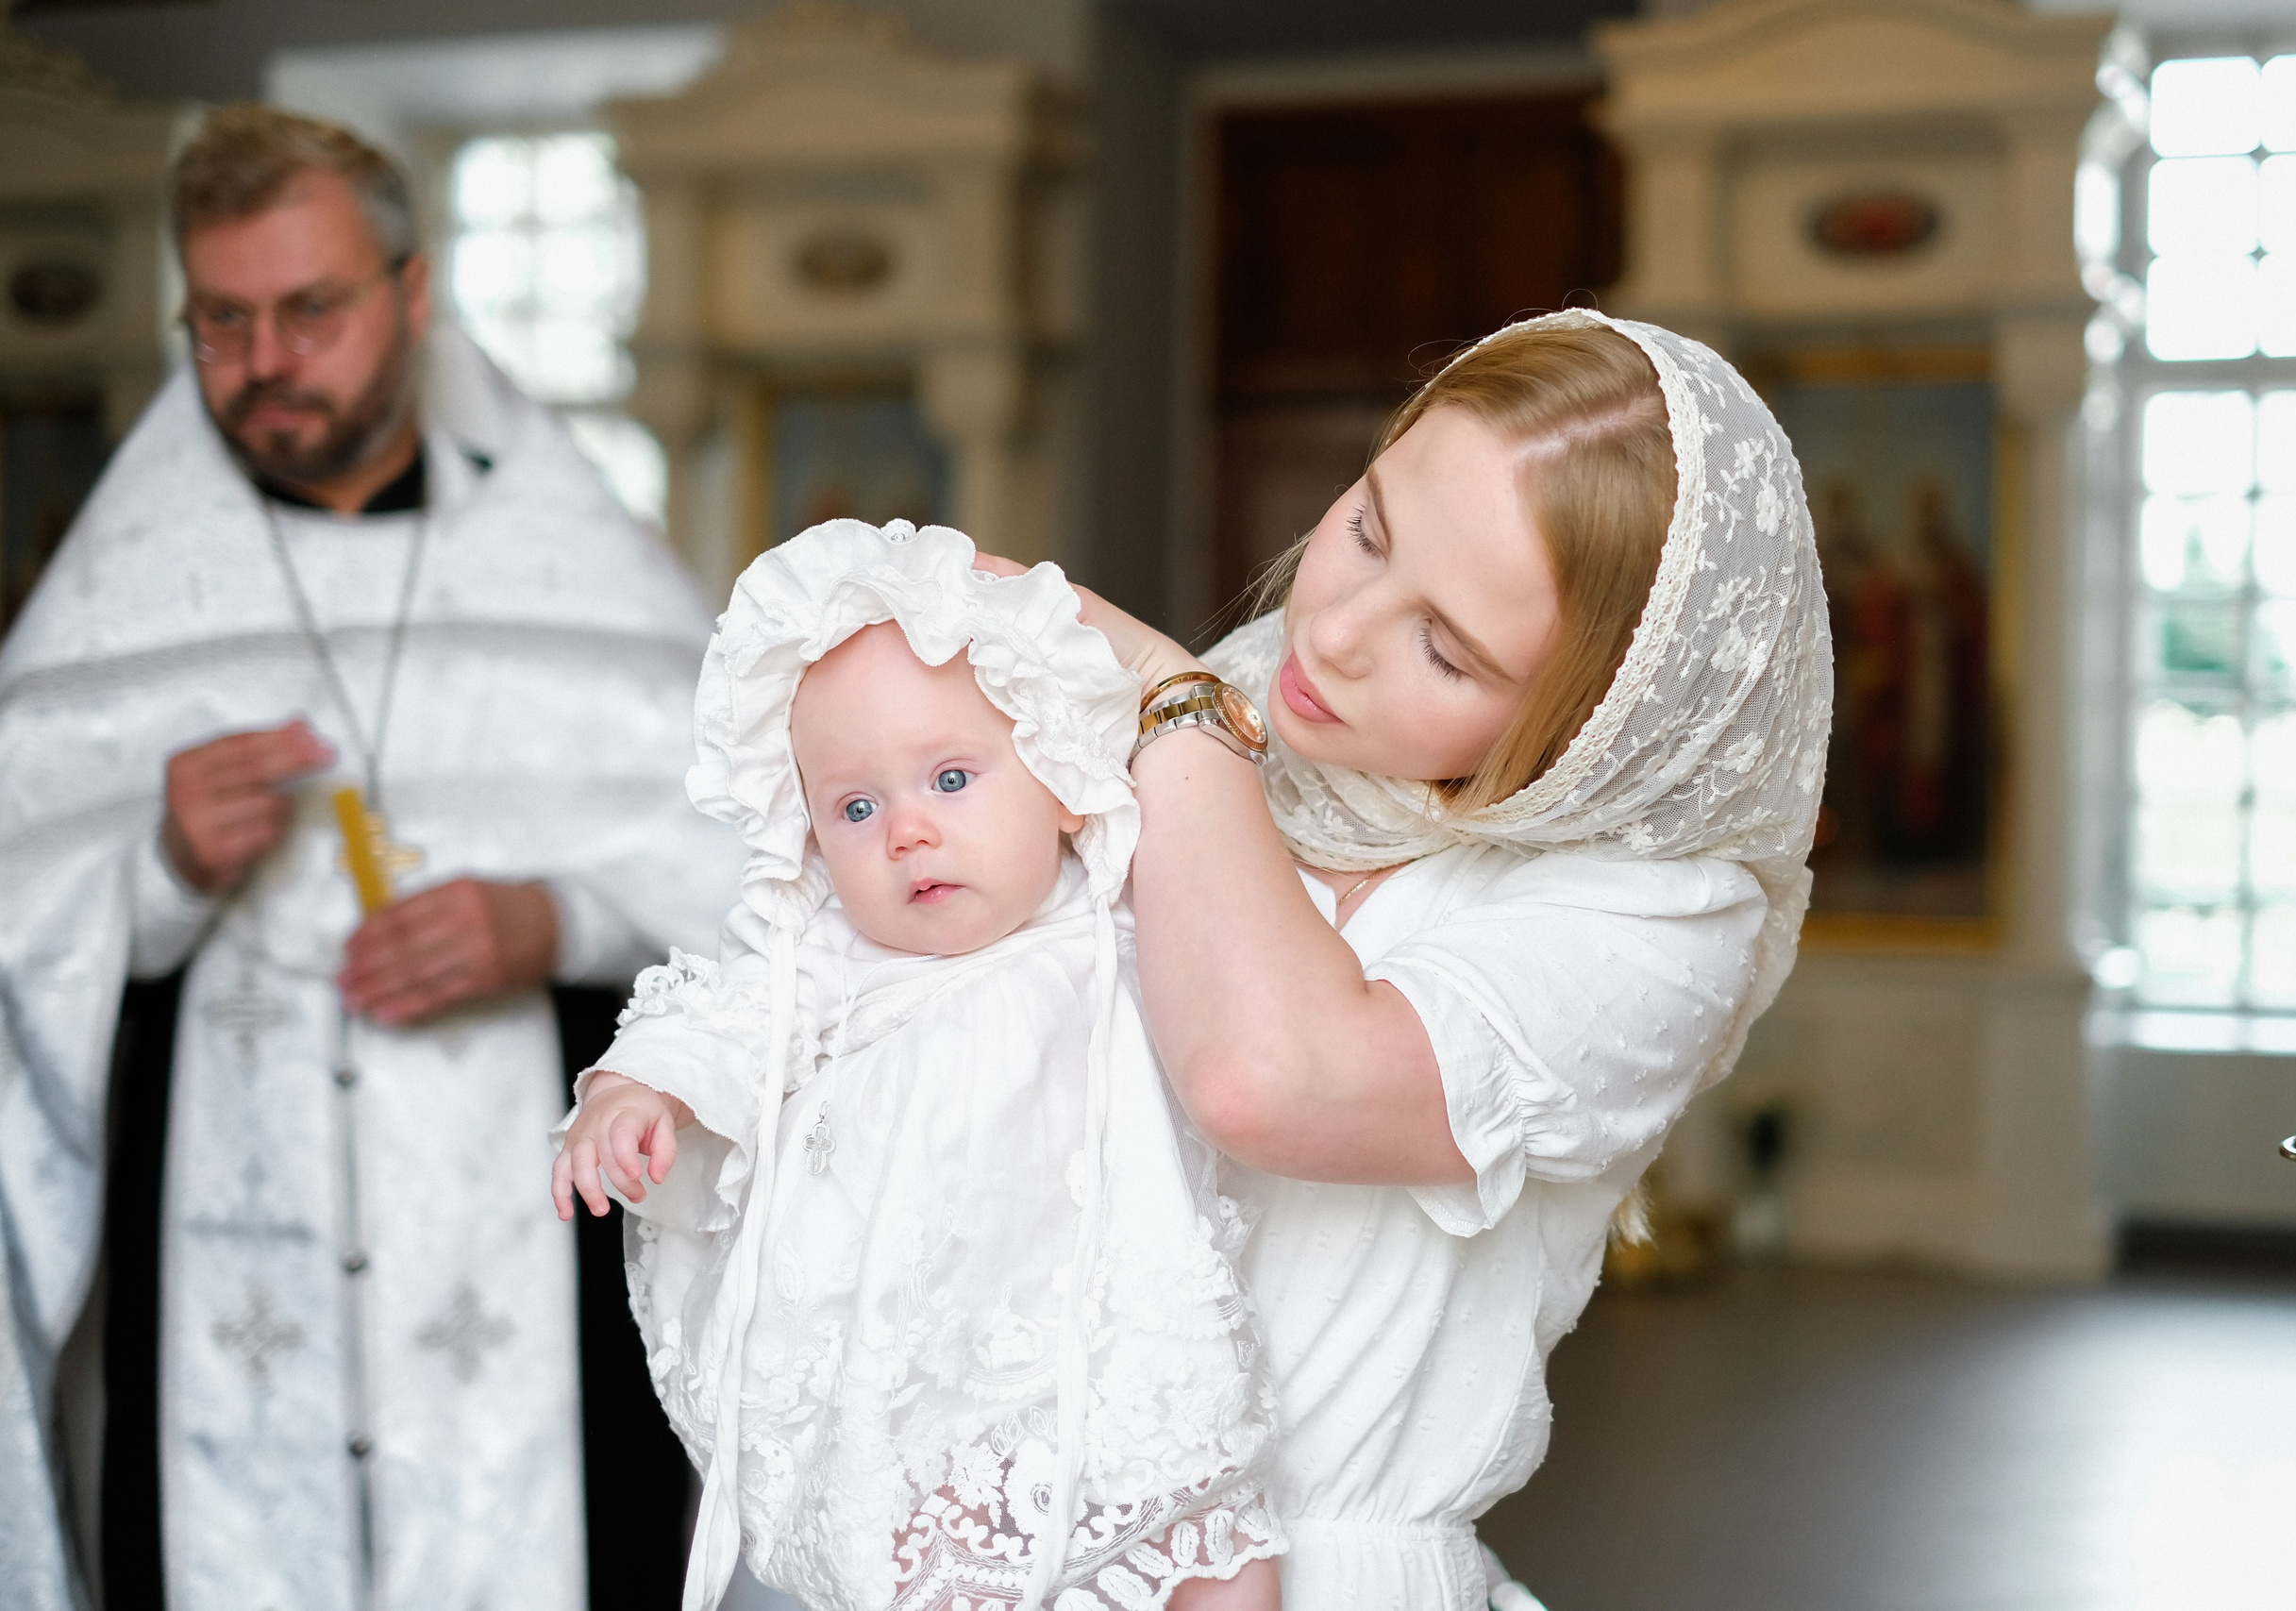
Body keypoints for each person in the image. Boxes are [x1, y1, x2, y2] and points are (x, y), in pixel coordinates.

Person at [0, 107, 738, 1610]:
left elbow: (756, 873)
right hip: (213, 1246)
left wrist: (557, 915)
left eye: (311, 309)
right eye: (223, 320)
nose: (266, 359)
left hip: (535, 1236)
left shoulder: (571, 567)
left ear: (412, 293)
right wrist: (155, 866)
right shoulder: (124, 598)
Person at [983, 309, 1832, 1607]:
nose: (1330, 632)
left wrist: (1170, 700)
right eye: (1369, 524)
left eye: (1446, 645)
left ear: (1595, 726)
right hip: (1000, 1541)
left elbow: (1267, 1075)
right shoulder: (1217, 718)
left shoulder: (1657, 913)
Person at [553, 521, 1285, 1611]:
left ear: (1061, 777)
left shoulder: (1119, 915)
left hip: (1124, 1352)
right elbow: (722, 1017)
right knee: (930, 1569)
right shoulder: (830, 961)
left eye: (951, 777)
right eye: (855, 807)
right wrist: (631, 1088)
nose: (905, 831)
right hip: (927, 1403)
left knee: (1220, 1559)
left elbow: (1256, 932)